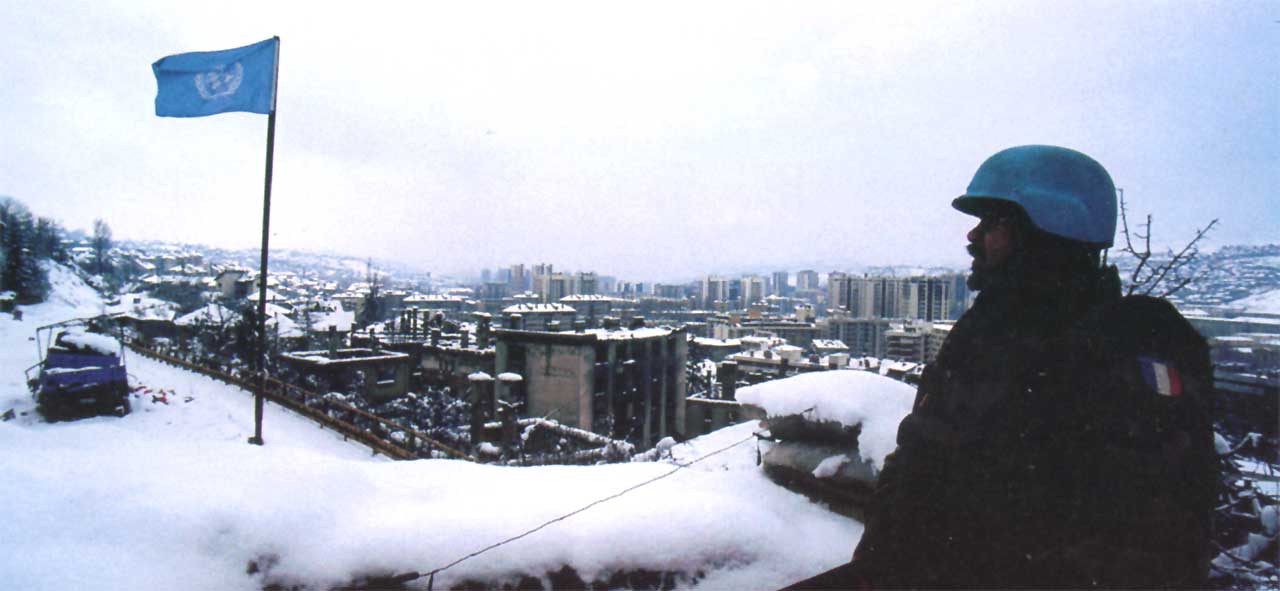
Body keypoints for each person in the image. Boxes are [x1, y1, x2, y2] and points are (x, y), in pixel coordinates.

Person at [787, 145, 1217, 589]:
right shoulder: (1014, 332)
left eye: (992, 223)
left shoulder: (1065, 351)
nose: (972, 238)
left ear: (1046, 229)